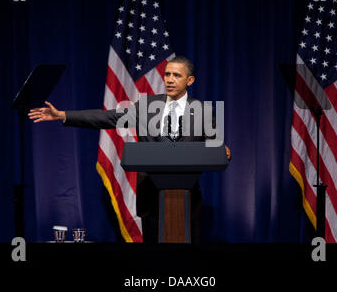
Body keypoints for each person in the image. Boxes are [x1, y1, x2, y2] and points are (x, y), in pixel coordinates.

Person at [28, 56, 231, 243]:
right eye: (167, 74)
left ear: (190, 80)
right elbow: (109, 117)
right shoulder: (146, 106)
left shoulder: (203, 111)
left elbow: (215, 146)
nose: (169, 79)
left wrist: (222, 149)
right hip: (151, 197)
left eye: (176, 75)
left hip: (186, 199)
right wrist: (64, 115)